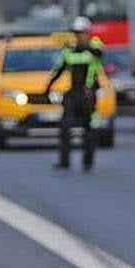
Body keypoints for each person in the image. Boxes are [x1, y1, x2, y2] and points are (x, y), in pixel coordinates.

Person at [45, 16, 104, 172]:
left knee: (90, 129)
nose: (79, 36)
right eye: (77, 33)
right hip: (73, 93)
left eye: (82, 33)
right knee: (65, 127)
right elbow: (58, 70)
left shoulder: (94, 47)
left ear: (87, 33)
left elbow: (98, 53)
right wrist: (48, 87)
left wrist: (85, 47)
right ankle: (64, 161)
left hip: (89, 94)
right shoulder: (69, 51)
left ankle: (87, 161)